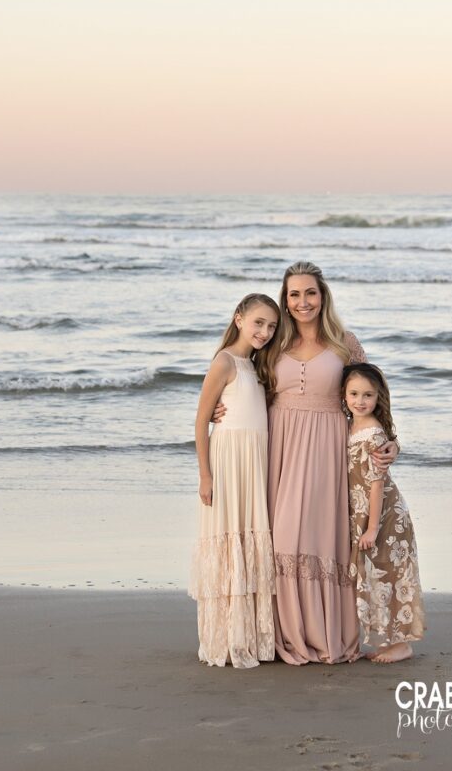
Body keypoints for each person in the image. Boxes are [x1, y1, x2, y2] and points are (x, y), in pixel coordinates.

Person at [267, 261, 399, 664]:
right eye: (294, 294)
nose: (302, 301)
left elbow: (371, 394)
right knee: (282, 537)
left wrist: (391, 441)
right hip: (279, 446)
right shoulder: (272, 343)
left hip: (328, 447)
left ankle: (327, 635)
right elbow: (248, 385)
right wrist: (222, 409)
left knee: (322, 537)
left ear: (322, 296)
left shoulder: (345, 342)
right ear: (285, 301)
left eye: (310, 292)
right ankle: (285, 633)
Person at [189, 293, 280, 668]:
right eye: (259, 322)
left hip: (254, 461)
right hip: (228, 460)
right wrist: (205, 475)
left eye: (272, 326)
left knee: (250, 536)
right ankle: (225, 638)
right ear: (239, 318)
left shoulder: (257, 365)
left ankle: (253, 637)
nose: (265, 331)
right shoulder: (225, 361)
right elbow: (200, 419)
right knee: (229, 540)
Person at [342, 362, 426, 663]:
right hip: (364, 514)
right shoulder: (349, 424)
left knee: (392, 575)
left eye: (368, 395)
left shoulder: (374, 434)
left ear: (379, 398)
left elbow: (376, 485)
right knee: (375, 576)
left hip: (385, 516)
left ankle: (403, 644)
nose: (360, 401)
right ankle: (389, 641)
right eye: (353, 394)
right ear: (344, 393)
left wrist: (372, 528)